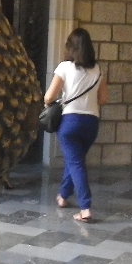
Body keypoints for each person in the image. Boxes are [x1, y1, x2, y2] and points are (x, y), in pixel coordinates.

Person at [44, 28, 110, 223]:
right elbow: (104, 99)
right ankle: (64, 195)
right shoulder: (97, 69)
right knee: (75, 160)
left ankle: (85, 207)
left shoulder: (64, 67)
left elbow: (49, 97)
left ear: (70, 47)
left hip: (70, 123)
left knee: (76, 163)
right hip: (91, 123)